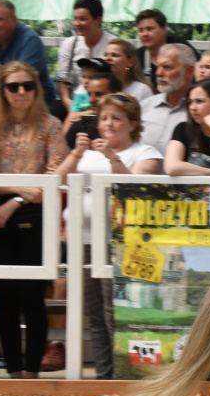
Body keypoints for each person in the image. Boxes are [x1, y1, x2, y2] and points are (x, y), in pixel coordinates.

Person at [54, 93, 162, 379]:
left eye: (117, 118)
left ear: (133, 123)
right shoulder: (85, 154)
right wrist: (76, 153)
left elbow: (134, 190)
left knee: (116, 312)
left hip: (120, 243)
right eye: (104, 118)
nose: (109, 124)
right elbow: (58, 180)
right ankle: (104, 377)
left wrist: (112, 158)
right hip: (84, 242)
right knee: (95, 314)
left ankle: (123, 376)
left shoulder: (145, 152)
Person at [0, 61, 68, 379]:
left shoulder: (51, 125)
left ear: (37, 89)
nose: (21, 92)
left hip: (38, 217)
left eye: (28, 85)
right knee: (6, 298)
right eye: (13, 86)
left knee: (32, 297)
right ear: (3, 90)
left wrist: (15, 199)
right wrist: (19, 190)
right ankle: (13, 374)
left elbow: (55, 175)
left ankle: (31, 374)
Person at [0, 0, 63, 119]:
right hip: (2, 100)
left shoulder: (29, 40)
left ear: (13, 20)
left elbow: (22, 79)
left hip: (36, 102)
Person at [54, 0, 117, 113]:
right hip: (75, 101)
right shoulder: (69, 44)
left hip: (104, 103)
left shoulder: (113, 44)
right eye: (75, 19)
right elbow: (62, 83)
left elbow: (121, 77)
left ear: (98, 20)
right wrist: (70, 106)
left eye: (83, 19)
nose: (77, 23)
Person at [140, 44, 196, 156]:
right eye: (158, 66)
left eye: (167, 67)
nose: (158, 73)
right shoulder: (144, 107)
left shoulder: (200, 111)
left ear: (189, 71)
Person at [134, 9, 199, 92]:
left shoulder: (181, 48)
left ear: (164, 30)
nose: (144, 34)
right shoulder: (137, 56)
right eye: (141, 30)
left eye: (150, 29)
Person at [62, 72, 122, 149]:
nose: (91, 99)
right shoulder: (79, 128)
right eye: (89, 94)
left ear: (116, 94)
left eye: (98, 94)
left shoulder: (125, 126)